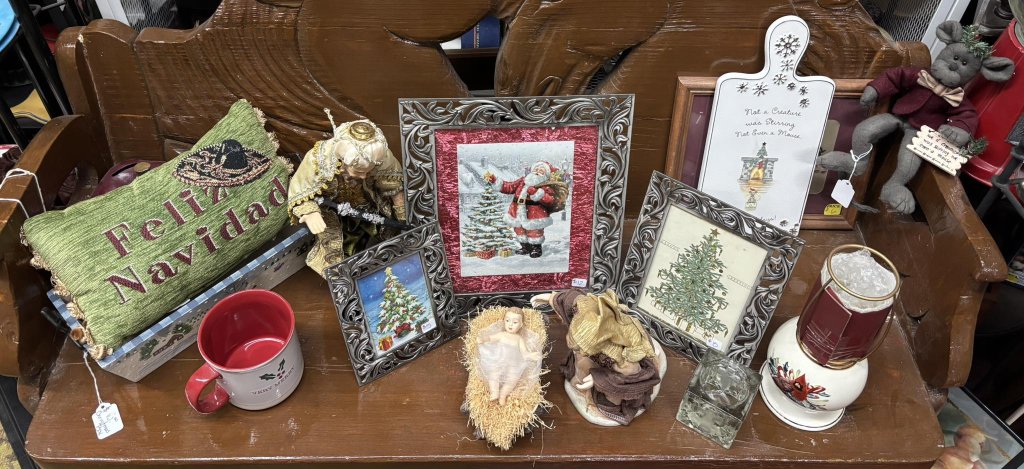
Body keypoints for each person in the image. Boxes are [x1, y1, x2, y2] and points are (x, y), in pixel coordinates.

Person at [287, 114, 405, 277]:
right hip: (333, 212)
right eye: (358, 172)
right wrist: (310, 212)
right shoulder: (317, 159)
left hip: (370, 207)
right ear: (342, 160)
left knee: (387, 236)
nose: (364, 176)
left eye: (367, 171)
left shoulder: (380, 155)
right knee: (337, 252)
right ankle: (344, 277)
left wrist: (402, 212)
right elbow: (300, 188)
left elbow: (392, 183)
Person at [483, 161, 557, 258]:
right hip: (516, 211)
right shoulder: (523, 181)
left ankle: (535, 248)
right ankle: (525, 247)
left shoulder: (546, 186)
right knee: (519, 230)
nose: (537, 172)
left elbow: (550, 200)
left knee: (534, 231)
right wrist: (495, 180)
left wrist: (537, 193)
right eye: (536, 169)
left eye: (541, 170)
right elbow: (509, 187)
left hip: (535, 214)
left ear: (546, 174)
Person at [476, 309, 542, 405]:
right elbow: (491, 338)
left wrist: (531, 355)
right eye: (507, 321)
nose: (510, 324)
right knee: (493, 374)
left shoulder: (519, 339)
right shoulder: (502, 335)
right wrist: (483, 339)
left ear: (521, 325)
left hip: (514, 364)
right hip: (499, 360)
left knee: (512, 380)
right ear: (504, 322)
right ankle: (494, 392)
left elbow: (524, 353)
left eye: (515, 322)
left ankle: (503, 394)